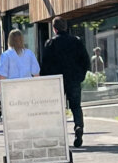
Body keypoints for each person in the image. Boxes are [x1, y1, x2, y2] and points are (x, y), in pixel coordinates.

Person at [39, 18, 91, 149]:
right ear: (66, 27)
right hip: (73, 78)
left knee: (56, 108)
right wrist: (81, 76)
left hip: (57, 81)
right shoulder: (76, 41)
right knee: (76, 106)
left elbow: (45, 64)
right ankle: (78, 126)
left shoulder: (50, 43)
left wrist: (46, 80)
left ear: (54, 29)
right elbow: (85, 61)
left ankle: (58, 135)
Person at [0, 28, 39, 115]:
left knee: (13, 115)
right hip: (27, 89)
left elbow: (2, 76)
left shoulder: (6, 55)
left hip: (11, 90)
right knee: (28, 112)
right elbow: (36, 74)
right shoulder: (29, 54)